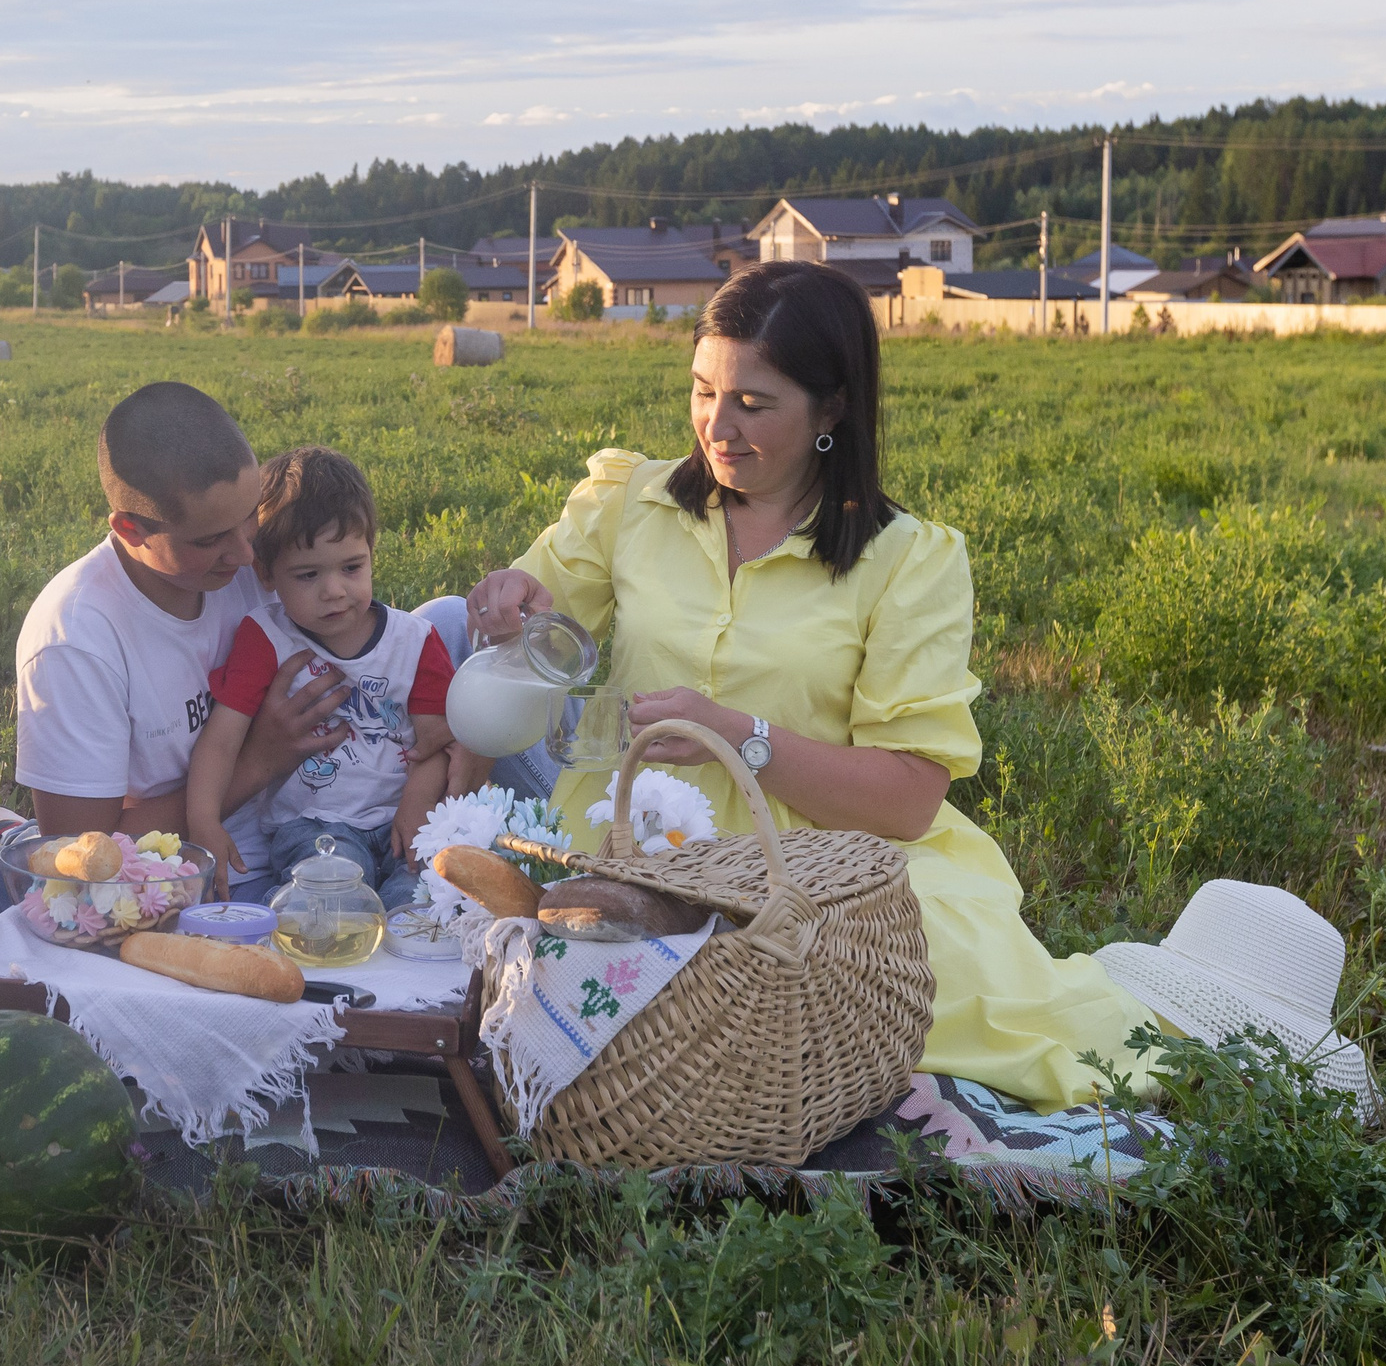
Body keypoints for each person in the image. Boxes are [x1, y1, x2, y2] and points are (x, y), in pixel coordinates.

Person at [464, 260, 1157, 1112]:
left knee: (854, 1009)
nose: (718, 426)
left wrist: (736, 732)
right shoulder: (627, 503)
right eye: (702, 390)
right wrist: (511, 603)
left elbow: (907, 798)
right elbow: (542, 621)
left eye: (755, 404)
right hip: (627, 839)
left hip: (823, 867)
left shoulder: (908, 560)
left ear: (833, 408)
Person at [9, 382, 352, 904]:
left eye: (250, 517)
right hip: (181, 885)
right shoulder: (76, 637)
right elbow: (80, 856)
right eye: (210, 540)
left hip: (323, 837)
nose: (243, 556)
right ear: (131, 530)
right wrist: (260, 761)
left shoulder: (252, 558)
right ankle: (1, 845)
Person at [184, 447, 457, 908]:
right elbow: (221, 739)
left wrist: (418, 804)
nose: (335, 591)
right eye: (308, 575)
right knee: (333, 901)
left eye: (352, 567)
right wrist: (203, 821)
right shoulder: (267, 638)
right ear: (266, 573)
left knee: (427, 903)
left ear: (372, 551)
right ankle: (292, 916)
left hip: (402, 820)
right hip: (313, 825)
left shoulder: (414, 642)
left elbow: (436, 742)